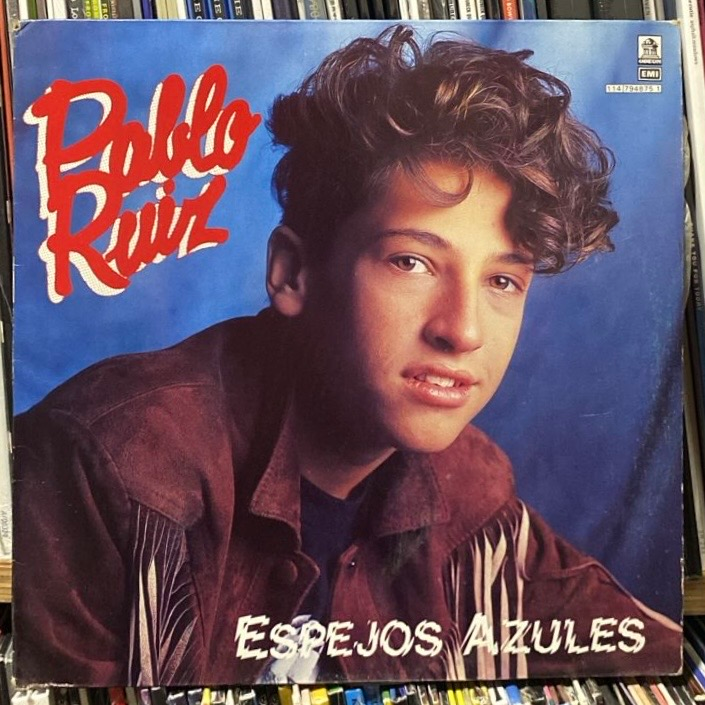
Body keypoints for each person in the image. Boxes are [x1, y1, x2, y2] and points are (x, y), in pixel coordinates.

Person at [14, 25, 681, 687]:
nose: (463, 330)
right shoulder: (112, 466)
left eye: (502, 280)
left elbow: (661, 655)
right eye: (412, 261)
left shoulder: (471, 489)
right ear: (293, 273)